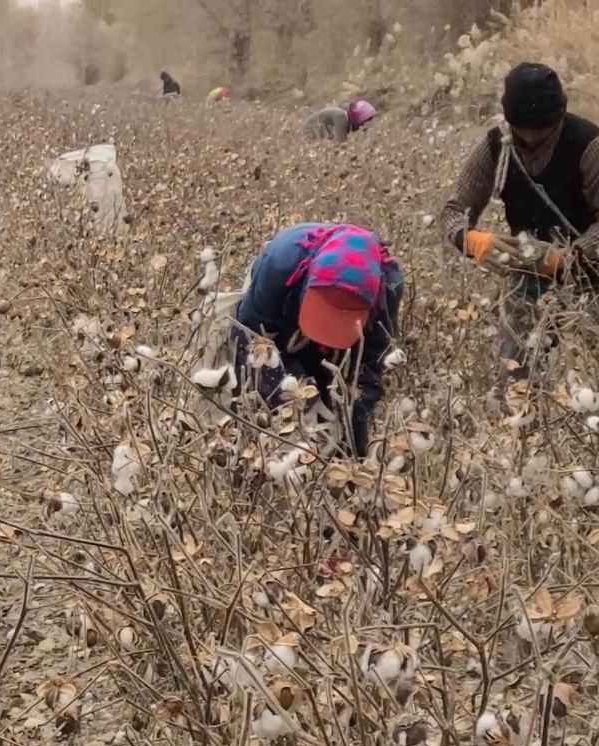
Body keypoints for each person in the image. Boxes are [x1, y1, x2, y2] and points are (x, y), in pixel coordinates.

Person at [438, 61, 599, 378]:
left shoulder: (589, 146)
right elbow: (453, 211)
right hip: (526, 280)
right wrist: (470, 240)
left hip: (590, 280)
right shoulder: (496, 146)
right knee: (517, 379)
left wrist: (566, 259)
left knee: (586, 376)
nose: (532, 135)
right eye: (523, 127)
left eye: (543, 128)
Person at [229, 223, 404, 457]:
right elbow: (247, 336)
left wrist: (348, 425)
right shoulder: (280, 262)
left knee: (344, 426)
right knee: (255, 398)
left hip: (340, 315)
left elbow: (369, 365)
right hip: (283, 299)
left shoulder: (388, 289)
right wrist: (289, 394)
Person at [304, 99, 378, 142]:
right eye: (365, 122)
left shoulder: (344, 117)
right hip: (308, 135)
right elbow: (340, 143)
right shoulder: (341, 118)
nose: (364, 125)